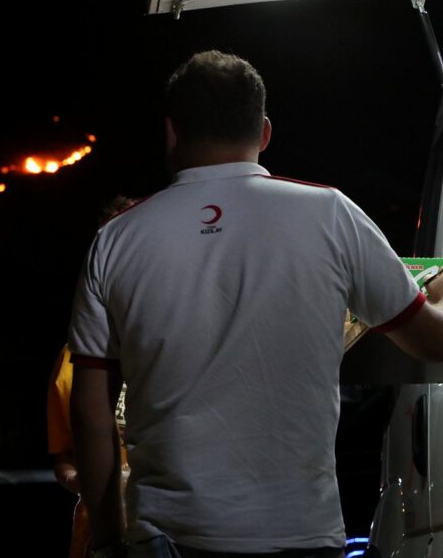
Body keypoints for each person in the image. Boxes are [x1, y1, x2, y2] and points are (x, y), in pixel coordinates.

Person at [67, 50, 443, 558]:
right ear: (264, 132)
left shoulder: (115, 241)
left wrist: (108, 537)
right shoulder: (330, 214)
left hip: (165, 536)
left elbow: (91, 416)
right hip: (300, 534)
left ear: (172, 132)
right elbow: (429, 340)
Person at [48, 195, 137, 557]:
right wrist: (81, 479)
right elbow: (65, 459)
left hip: (171, 524)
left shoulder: (178, 337)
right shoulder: (73, 357)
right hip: (100, 532)